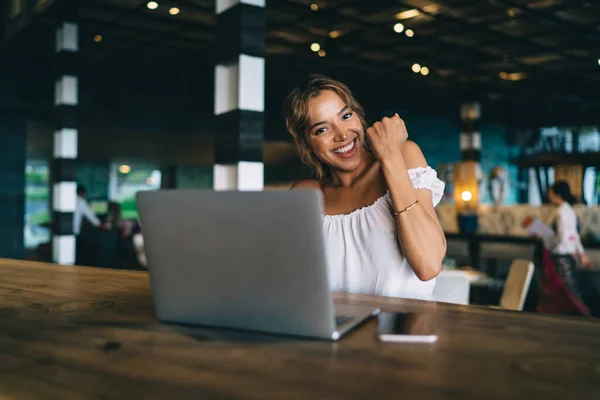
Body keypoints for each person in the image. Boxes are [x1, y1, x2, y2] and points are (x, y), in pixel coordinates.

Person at [283, 74, 446, 300]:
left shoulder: (404, 156)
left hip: (403, 330)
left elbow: (427, 265)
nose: (342, 135)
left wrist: (389, 157)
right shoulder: (308, 194)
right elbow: (292, 282)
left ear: (359, 116)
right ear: (306, 144)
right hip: (336, 332)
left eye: (346, 116)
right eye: (322, 129)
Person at [535, 180, 591, 316]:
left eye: (550, 193)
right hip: (565, 254)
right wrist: (580, 253)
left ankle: (582, 317)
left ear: (556, 194)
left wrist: (542, 234)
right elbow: (573, 235)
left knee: (564, 290)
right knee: (567, 289)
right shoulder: (568, 211)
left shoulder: (560, 212)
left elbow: (561, 237)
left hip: (559, 255)